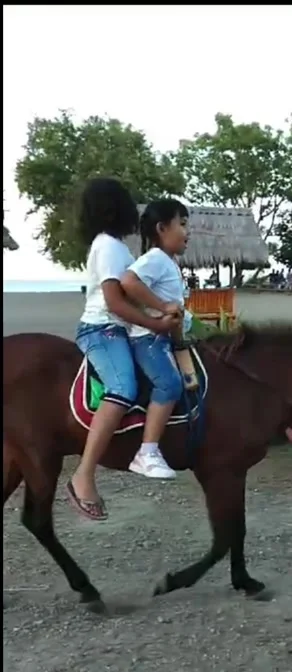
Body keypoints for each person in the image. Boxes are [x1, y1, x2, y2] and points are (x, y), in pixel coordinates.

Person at [68, 178, 181, 520]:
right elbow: (116, 303)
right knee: (122, 388)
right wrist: (157, 323)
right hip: (102, 329)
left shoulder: (116, 247)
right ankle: (84, 475)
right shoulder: (108, 247)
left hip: (118, 329)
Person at [120, 199, 192, 480]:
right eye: (183, 224)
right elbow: (128, 282)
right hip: (148, 340)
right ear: (162, 228)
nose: (188, 232)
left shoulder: (169, 263)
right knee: (170, 384)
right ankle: (147, 451)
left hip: (164, 338)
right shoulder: (155, 259)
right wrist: (163, 308)